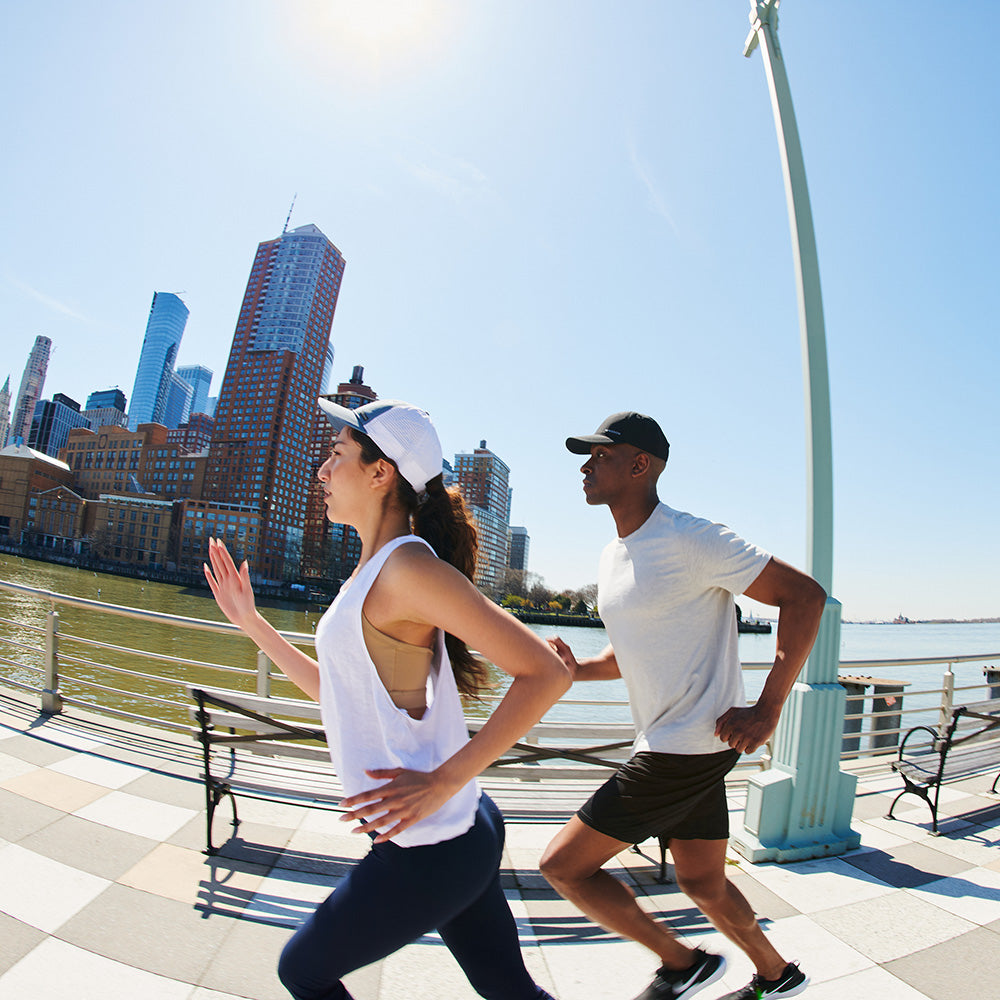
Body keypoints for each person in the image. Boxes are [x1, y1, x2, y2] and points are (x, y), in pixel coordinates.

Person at [204, 398, 569, 1000]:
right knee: (509, 990)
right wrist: (252, 624)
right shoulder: (370, 573)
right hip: (458, 830)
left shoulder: (407, 572)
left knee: (304, 969)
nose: (322, 470)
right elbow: (344, 697)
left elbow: (545, 674)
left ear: (381, 473)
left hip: (434, 846)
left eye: (337, 454)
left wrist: (443, 781)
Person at [539, 412, 826, 1000]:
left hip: (683, 746)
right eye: (585, 457)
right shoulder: (614, 556)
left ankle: (681, 964)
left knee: (563, 866)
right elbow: (631, 653)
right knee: (703, 881)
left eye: (601, 455)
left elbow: (804, 596)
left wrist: (768, 709)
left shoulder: (691, 537)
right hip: (683, 743)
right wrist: (577, 672)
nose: (586, 467)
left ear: (640, 464)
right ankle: (779, 977)